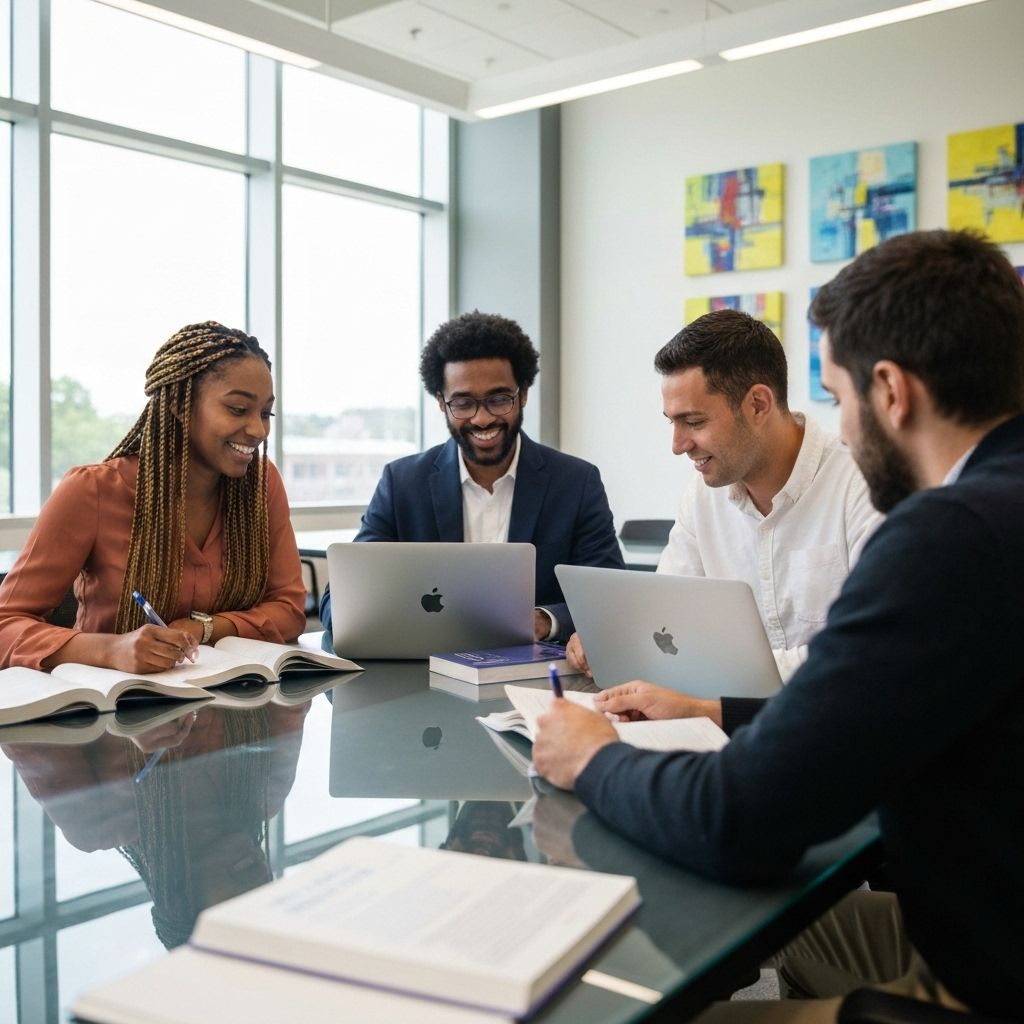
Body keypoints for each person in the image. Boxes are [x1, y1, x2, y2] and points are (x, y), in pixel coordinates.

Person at [533, 229, 1024, 1020]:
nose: (839, 423)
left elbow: (740, 820)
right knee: (777, 925)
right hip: (983, 916)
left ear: (891, 391)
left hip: (978, 985)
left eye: (836, 394)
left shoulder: (950, 533)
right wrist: (710, 705)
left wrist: (592, 761)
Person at [566, 309, 879, 727]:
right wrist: (618, 641)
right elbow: (665, 620)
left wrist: (706, 684)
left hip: (836, 730)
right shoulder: (702, 497)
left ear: (758, 404)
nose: (678, 445)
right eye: (672, 423)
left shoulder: (862, 487)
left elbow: (858, 656)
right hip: (726, 731)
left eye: (693, 422)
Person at [0, 321, 307, 672]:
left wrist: (205, 628)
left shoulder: (261, 485)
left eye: (266, 413)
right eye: (238, 409)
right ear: (178, 403)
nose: (258, 429)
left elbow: (288, 607)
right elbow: (5, 625)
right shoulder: (92, 491)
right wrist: (110, 651)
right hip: (108, 713)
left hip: (228, 708)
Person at [320, 311, 623, 643]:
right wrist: (399, 622)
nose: (482, 419)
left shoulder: (576, 483)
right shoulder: (403, 483)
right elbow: (339, 600)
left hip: (535, 677)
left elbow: (610, 600)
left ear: (523, 394)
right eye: (463, 403)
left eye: (498, 399)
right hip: (427, 673)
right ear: (441, 403)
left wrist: (543, 620)